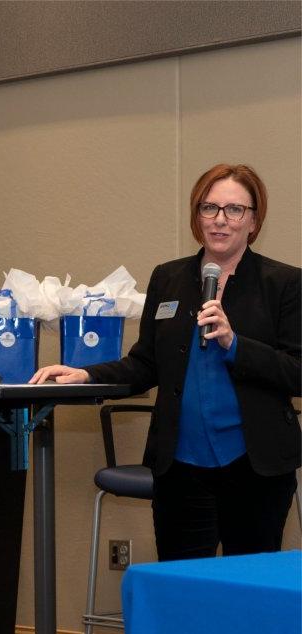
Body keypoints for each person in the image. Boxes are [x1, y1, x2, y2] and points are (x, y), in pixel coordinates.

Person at [30, 164, 301, 561]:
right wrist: (86, 373)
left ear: (254, 219)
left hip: (255, 469)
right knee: (182, 591)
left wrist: (234, 342)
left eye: (234, 210)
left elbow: (297, 371)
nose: (221, 220)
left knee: (246, 596)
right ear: (197, 215)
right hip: (180, 468)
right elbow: (144, 365)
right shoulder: (169, 278)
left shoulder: (285, 284)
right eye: (209, 208)